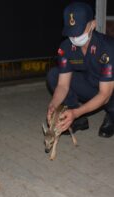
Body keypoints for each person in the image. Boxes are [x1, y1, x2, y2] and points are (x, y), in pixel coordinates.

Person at [47, 2, 114, 138]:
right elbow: (62, 85)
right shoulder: (66, 47)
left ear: (93, 24)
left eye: (79, 31)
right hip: (93, 84)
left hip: (110, 91)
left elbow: (105, 95)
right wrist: (53, 105)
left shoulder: (108, 48)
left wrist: (76, 112)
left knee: (110, 100)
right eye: (71, 32)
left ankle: (112, 117)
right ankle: (79, 120)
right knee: (54, 75)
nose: (75, 37)